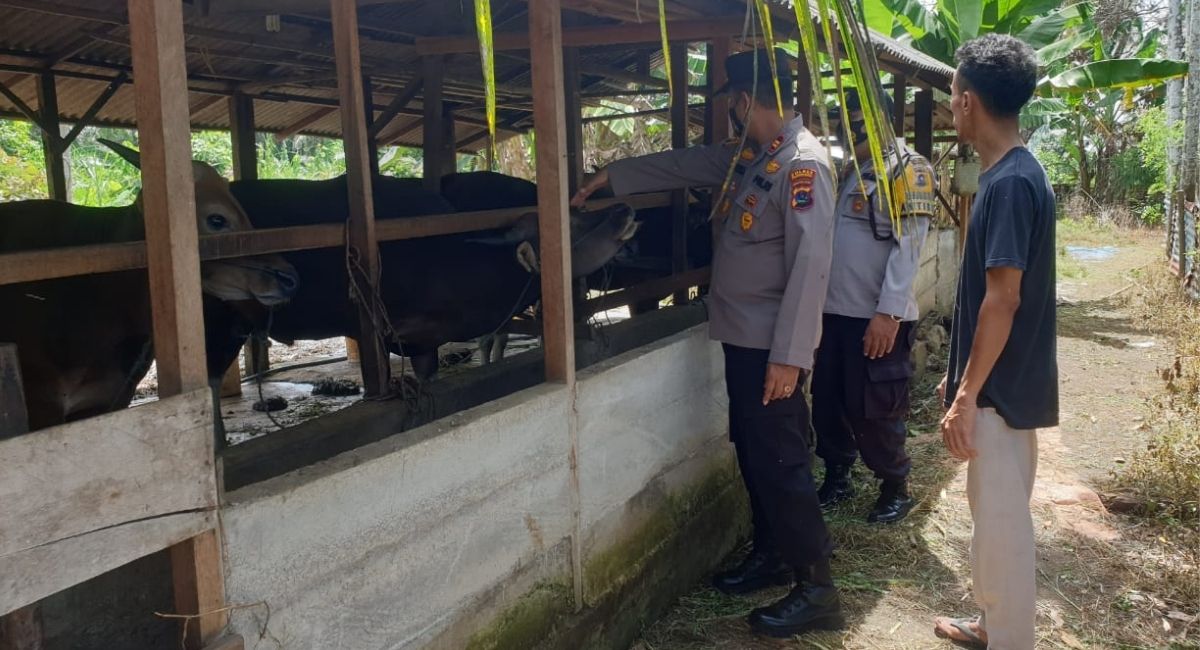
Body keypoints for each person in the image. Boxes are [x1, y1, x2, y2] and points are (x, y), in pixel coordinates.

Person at [572, 48, 843, 638]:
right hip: (745, 341)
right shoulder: (757, 155)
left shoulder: (802, 165)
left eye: (731, 107)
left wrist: (790, 358)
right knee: (753, 449)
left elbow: (811, 269)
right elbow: (686, 164)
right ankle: (773, 553)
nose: (730, 117)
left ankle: (818, 589)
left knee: (782, 460)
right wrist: (612, 177)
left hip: (771, 349)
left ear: (744, 102)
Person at [932, 34, 1058, 649]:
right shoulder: (1015, 172)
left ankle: (1009, 638)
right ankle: (991, 625)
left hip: (1000, 396)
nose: (951, 104)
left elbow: (1002, 299)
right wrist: (961, 375)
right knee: (992, 516)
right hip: (1004, 385)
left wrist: (967, 395)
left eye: (953, 93)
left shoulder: (1007, 183)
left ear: (969, 102)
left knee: (1002, 529)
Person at [813, 89, 936, 524]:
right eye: (842, 121)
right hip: (834, 314)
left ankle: (895, 486)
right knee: (828, 401)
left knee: (876, 408)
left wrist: (888, 313)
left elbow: (909, 247)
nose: (846, 130)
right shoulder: (852, 170)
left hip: (875, 317)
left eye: (854, 121)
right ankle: (838, 474)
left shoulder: (908, 169)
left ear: (877, 119)